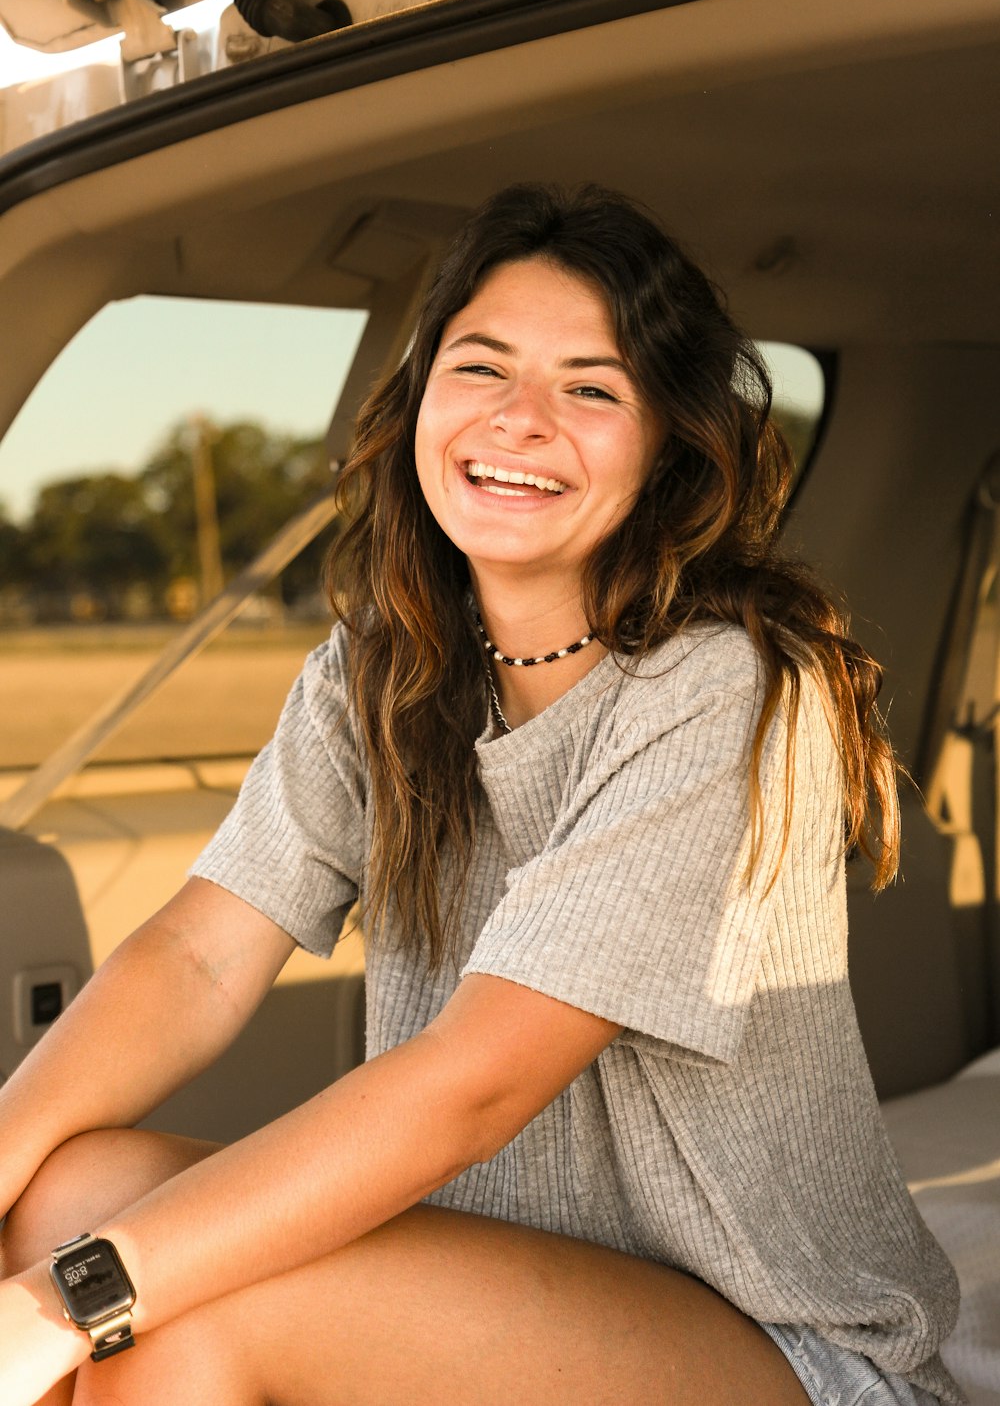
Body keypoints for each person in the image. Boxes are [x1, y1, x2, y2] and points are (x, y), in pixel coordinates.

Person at [0, 183, 962, 1406]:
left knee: (175, 1311)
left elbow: (475, 1082)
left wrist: (61, 1306)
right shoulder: (380, 669)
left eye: (591, 388)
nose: (521, 420)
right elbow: (198, 954)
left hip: (781, 1345)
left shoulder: (724, 689)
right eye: (482, 367)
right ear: (419, 402)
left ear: (669, 443)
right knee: (62, 1193)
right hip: (503, 1280)